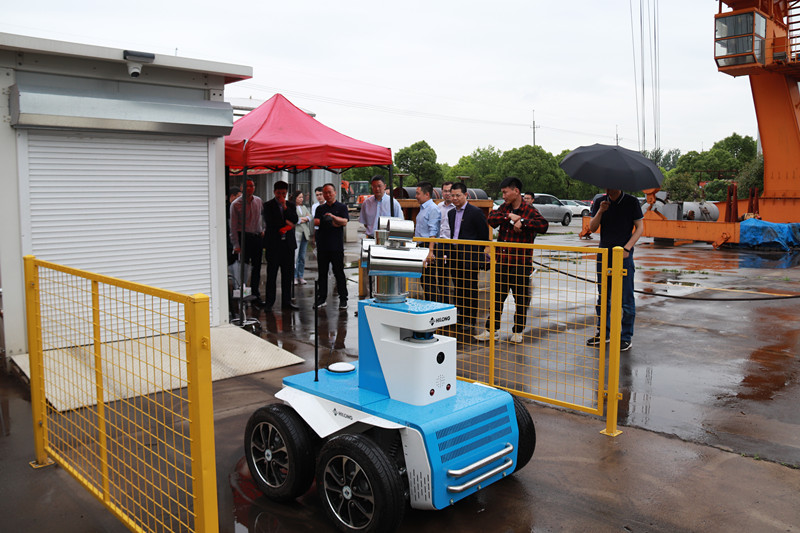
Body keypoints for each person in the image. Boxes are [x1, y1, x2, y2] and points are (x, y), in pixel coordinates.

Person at [475, 177, 549, 343]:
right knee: (496, 299)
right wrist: (509, 216)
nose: (504, 196)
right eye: (502, 193)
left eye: (505, 192)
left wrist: (522, 222)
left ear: (516, 191)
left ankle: (518, 331)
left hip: (521, 264)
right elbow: (492, 219)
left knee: (521, 300)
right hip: (502, 262)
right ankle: (491, 330)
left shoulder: (529, 210)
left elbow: (543, 226)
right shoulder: (504, 208)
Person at [586, 188, 644, 351]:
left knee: (626, 298)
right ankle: (603, 333)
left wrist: (627, 248)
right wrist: (600, 211)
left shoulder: (631, 202)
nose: (608, 188)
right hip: (604, 255)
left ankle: (626, 337)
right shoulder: (600, 201)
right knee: (603, 297)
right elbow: (592, 228)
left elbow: (640, 227)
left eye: (611, 185)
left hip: (623, 256)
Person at [447, 182, 489, 333]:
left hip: (470, 257)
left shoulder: (475, 212)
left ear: (465, 195)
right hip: (455, 255)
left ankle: (471, 319)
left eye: (458, 195)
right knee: (458, 288)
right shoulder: (451, 213)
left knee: (470, 289)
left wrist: (476, 252)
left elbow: (483, 235)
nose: (455, 198)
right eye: (452, 195)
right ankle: (460, 316)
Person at [263, 181, 299, 311]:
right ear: (274, 192)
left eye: (283, 193)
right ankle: (269, 302)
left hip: (288, 245)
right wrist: (287, 225)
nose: (281, 196)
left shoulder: (290, 205)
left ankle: (286, 301)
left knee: (287, 275)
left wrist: (285, 208)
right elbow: (271, 222)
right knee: (271, 275)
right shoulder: (268, 205)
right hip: (273, 244)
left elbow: (295, 219)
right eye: (278, 193)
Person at [313, 183, 350, 310]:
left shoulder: (342, 207)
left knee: (339, 272)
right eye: (325, 193)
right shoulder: (320, 208)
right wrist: (332, 222)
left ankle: (343, 299)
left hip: (336, 246)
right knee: (322, 273)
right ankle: (322, 298)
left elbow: (344, 221)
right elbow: (316, 221)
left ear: (335, 193)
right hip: (322, 245)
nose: (327, 195)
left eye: (330, 192)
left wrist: (333, 218)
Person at [230, 179, 264, 304]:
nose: (250, 188)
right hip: (243, 237)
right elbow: (233, 227)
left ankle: (255, 294)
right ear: (242, 188)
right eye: (247, 186)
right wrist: (236, 244)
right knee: (243, 268)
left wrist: (263, 230)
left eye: (252, 186)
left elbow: (262, 217)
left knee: (257, 267)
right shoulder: (236, 204)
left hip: (257, 237)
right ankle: (243, 294)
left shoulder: (258, 201)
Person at [414, 181, 441, 301]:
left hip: (427, 247)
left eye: (418, 193)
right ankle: (429, 302)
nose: (416, 196)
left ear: (427, 194)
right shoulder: (423, 208)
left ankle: (433, 304)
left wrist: (430, 251)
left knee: (430, 281)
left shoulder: (432, 209)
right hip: (421, 246)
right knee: (425, 280)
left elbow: (433, 231)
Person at [434, 181, 456, 303]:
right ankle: (444, 303)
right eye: (445, 191)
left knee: (455, 276)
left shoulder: (457, 207)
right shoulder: (438, 207)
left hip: (453, 245)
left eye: (449, 191)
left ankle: (457, 306)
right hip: (440, 244)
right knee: (442, 276)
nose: (447, 193)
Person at [292, 190, 312, 285]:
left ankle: (301, 275)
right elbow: (294, 219)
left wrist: (304, 219)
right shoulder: (292, 207)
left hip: (305, 233)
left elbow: (310, 216)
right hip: (297, 233)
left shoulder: (304, 207)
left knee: (302, 257)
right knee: (295, 256)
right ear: (295, 198)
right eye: (299, 197)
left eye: (302, 197)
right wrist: (303, 219)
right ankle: (294, 276)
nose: (301, 199)